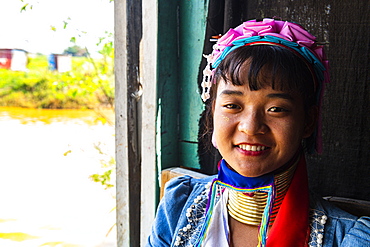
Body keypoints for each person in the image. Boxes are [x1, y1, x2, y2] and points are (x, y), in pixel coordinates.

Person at [146, 18, 370, 247]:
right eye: (233, 105)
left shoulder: (349, 238)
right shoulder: (178, 207)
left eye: (276, 109)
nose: (251, 126)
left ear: (308, 122)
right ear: (212, 112)